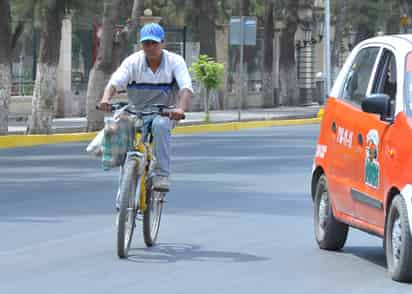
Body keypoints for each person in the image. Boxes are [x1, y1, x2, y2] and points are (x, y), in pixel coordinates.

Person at [99, 23, 193, 192]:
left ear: (163, 43)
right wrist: (105, 99)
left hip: (164, 111)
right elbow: (114, 82)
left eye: (154, 43)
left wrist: (180, 109)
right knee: (117, 125)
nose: (150, 47)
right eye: (146, 43)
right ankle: (127, 174)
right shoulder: (132, 61)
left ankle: (161, 175)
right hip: (137, 110)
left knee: (160, 126)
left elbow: (186, 88)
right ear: (141, 45)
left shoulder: (175, 61)